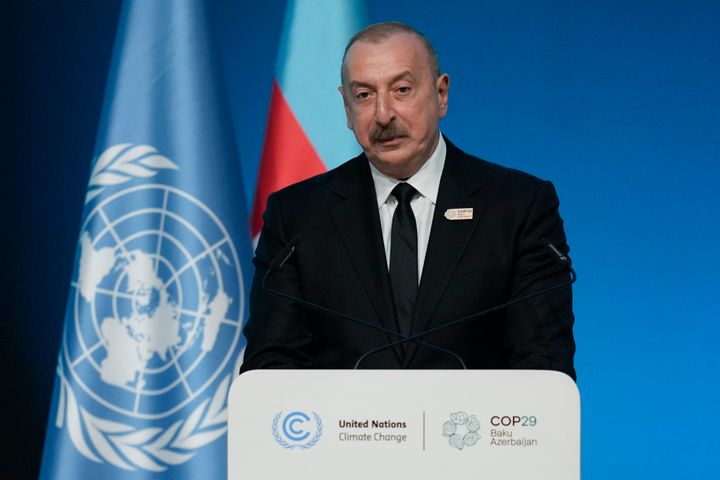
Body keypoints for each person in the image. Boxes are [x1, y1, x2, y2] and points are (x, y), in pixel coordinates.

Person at [240, 22, 576, 379]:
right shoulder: (297, 216)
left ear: (441, 94)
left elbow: (543, 367)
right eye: (364, 95)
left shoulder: (518, 207)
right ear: (346, 107)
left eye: (402, 90)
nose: (384, 115)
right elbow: (270, 367)